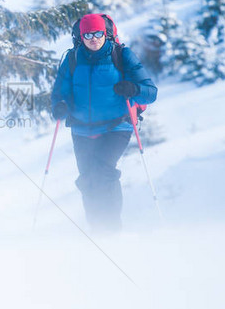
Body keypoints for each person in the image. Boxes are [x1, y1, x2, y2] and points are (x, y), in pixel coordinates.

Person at [50, 13, 157, 233]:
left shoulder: (121, 55)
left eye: (98, 33)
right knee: (87, 177)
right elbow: (60, 93)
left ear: (106, 34)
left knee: (103, 170)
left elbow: (150, 92)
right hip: (81, 128)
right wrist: (60, 105)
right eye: (88, 34)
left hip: (117, 125)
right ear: (81, 36)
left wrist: (134, 89)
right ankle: (96, 228)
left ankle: (112, 227)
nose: (93, 39)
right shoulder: (72, 58)